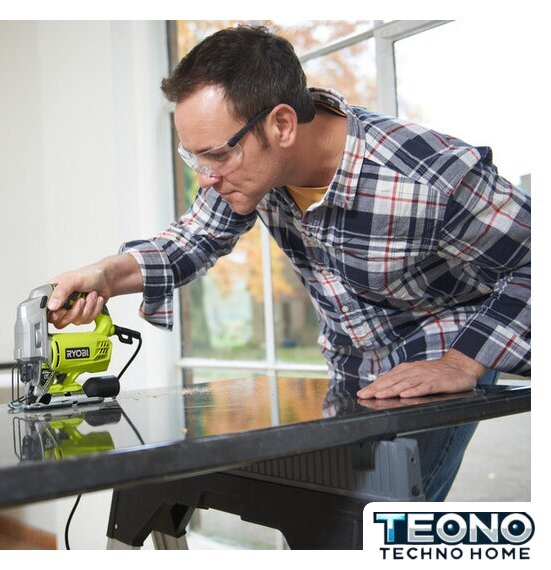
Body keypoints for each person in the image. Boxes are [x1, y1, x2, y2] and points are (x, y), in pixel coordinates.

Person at [46, 26, 530, 501]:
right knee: (327, 518)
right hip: (350, 371)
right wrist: (104, 276)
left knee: (381, 530)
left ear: (281, 125)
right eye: (194, 158)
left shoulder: (430, 178)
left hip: (433, 367)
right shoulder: (249, 168)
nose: (206, 177)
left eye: (215, 155)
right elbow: (193, 238)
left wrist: (462, 362)